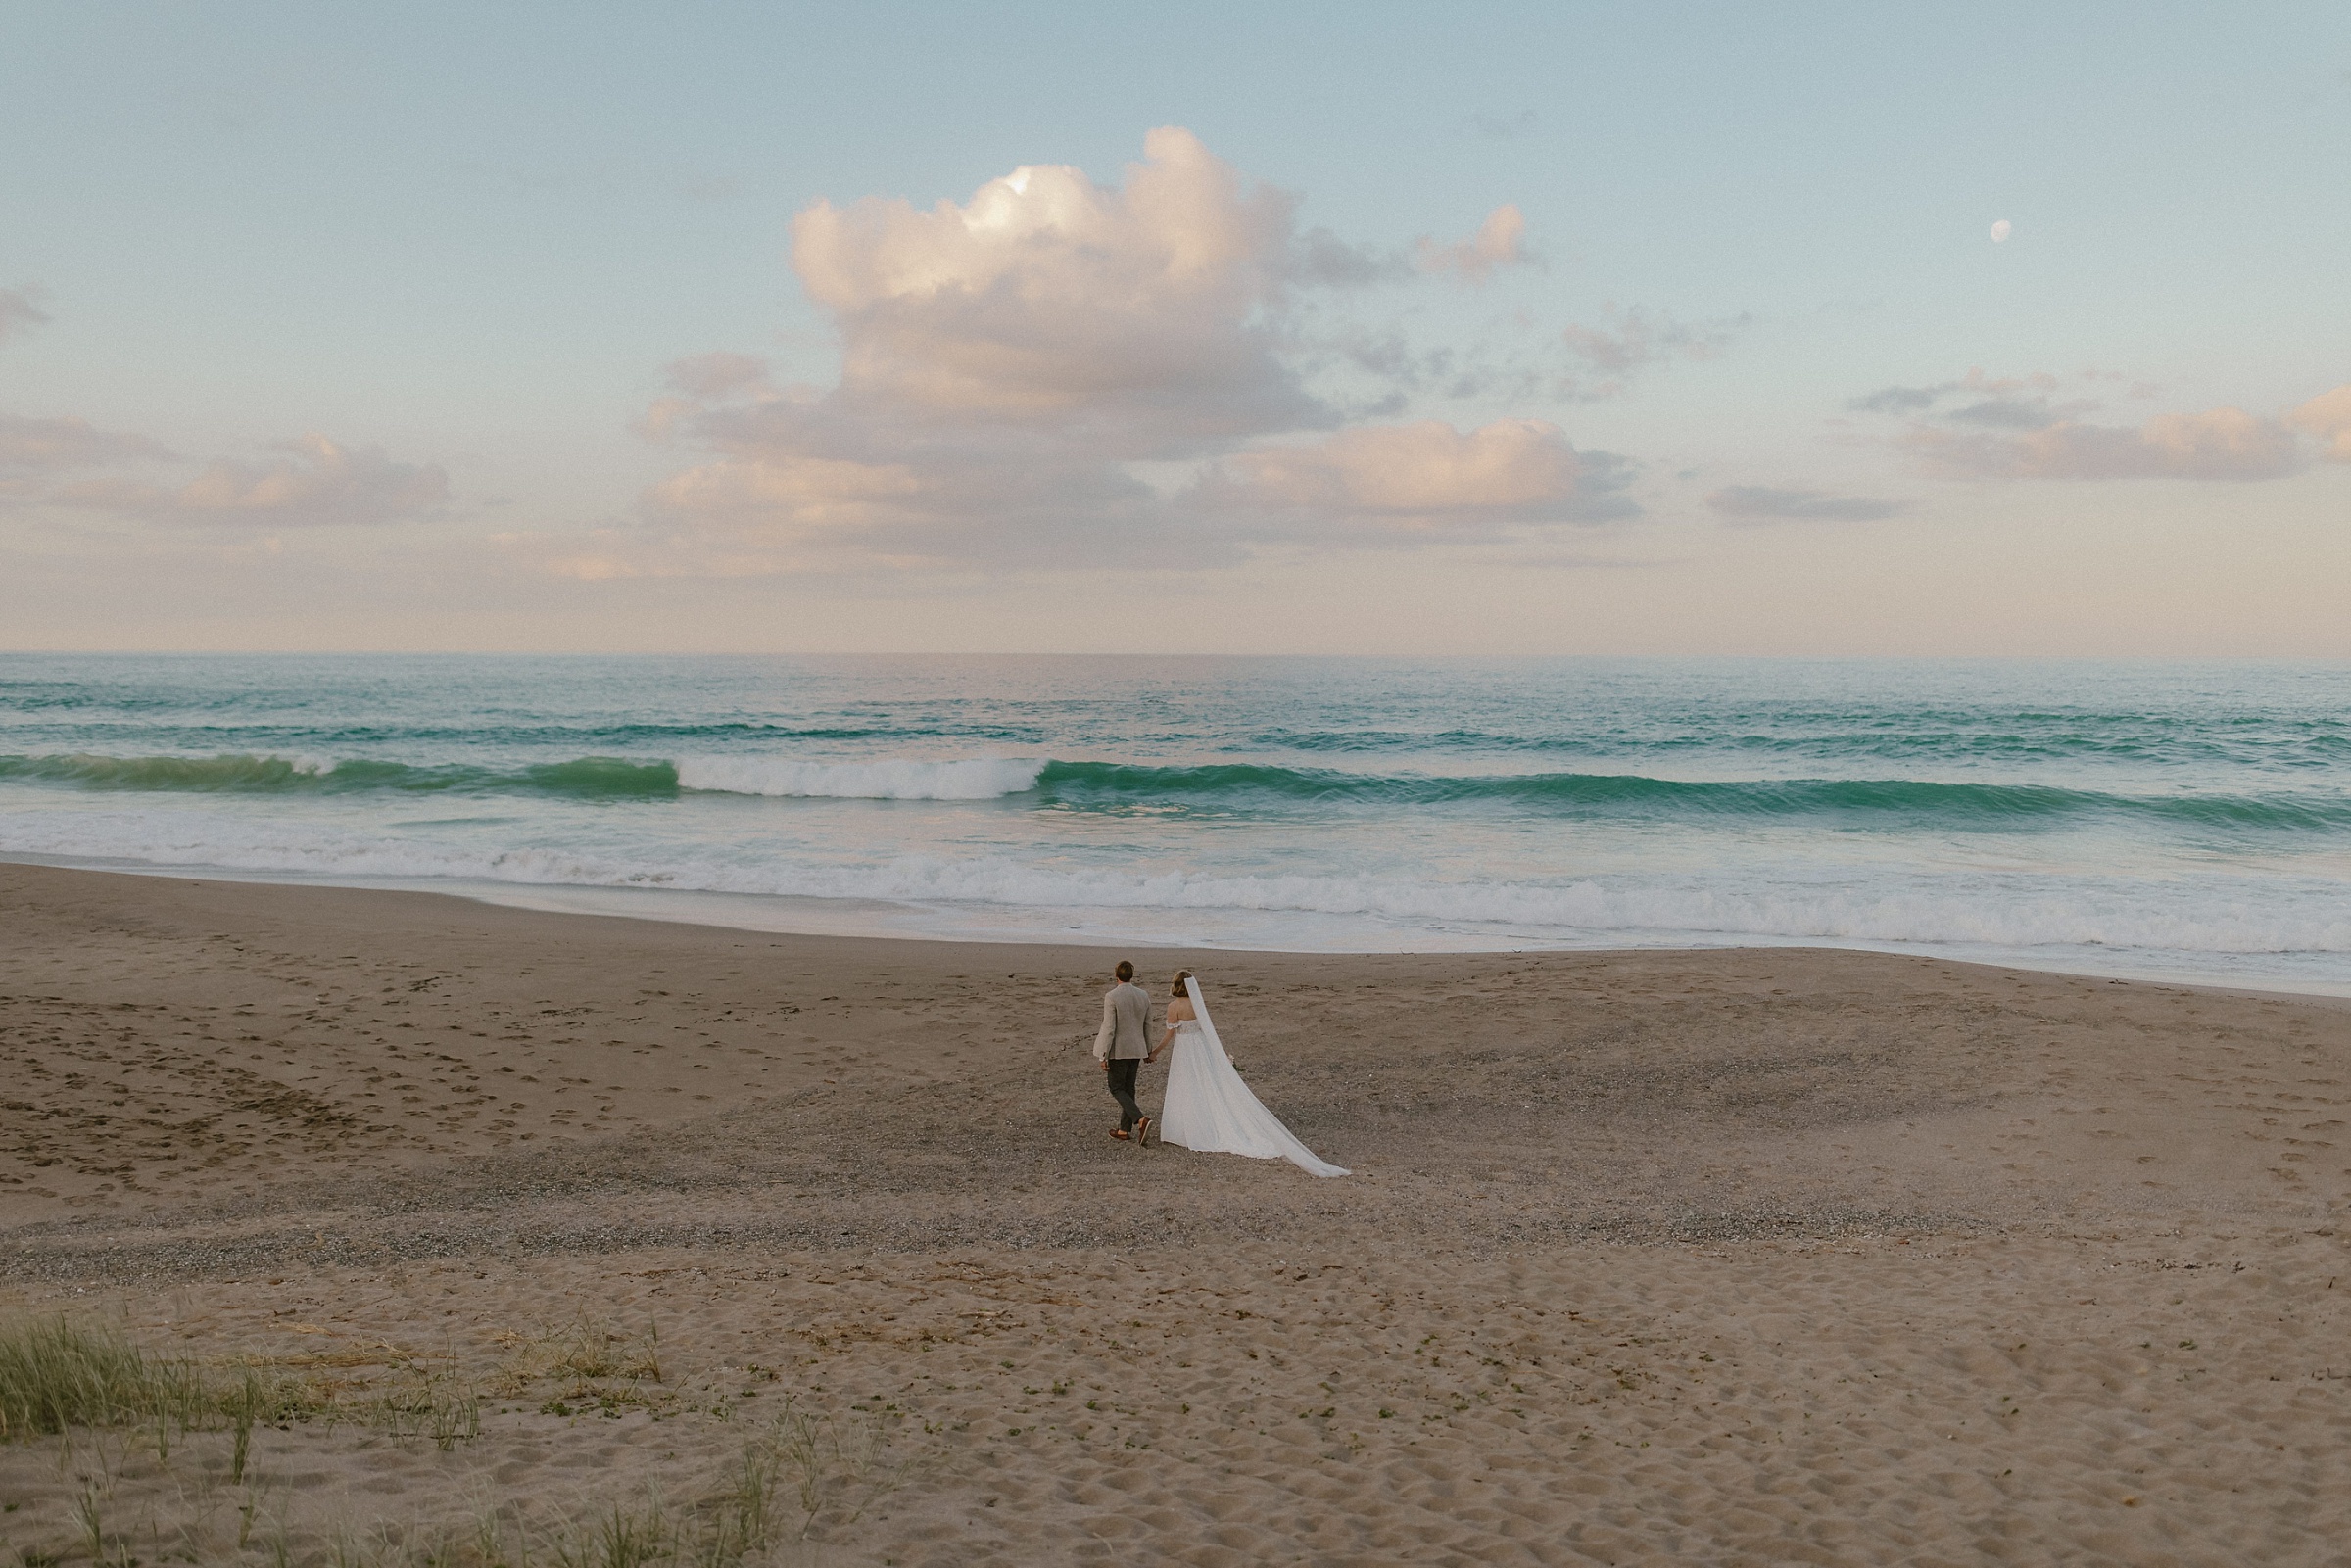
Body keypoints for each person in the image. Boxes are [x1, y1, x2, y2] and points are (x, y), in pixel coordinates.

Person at [1148, 970, 1347, 1177]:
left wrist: (1155, 1052)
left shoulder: (1174, 1007)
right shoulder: (1197, 1004)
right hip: (1202, 1048)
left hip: (1185, 1050)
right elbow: (1208, 1031)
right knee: (1206, 1085)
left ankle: (1184, 1130)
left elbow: (1170, 1034)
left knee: (1186, 1086)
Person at [1092, 959, 1155, 1144]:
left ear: (1116, 975)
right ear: (1131, 975)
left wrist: (1103, 1054)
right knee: (1129, 1088)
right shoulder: (1143, 995)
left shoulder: (1112, 996)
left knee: (1116, 1087)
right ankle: (1123, 1130)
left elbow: (1110, 1027)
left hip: (1119, 1049)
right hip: (1137, 1047)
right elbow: (1148, 1024)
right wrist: (1148, 1049)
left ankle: (1141, 1119)